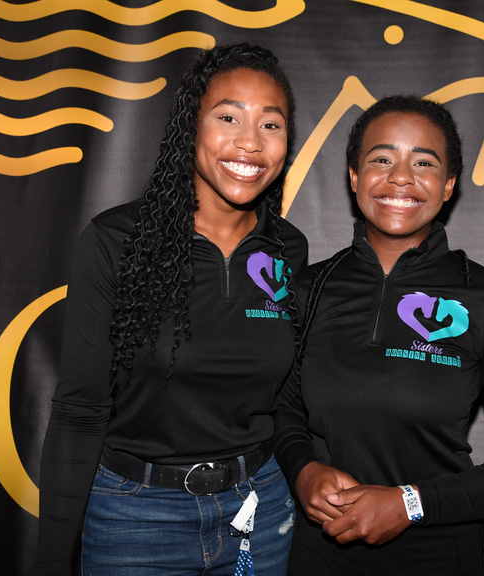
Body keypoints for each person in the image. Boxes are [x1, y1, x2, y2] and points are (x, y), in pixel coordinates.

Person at [33, 44, 307, 576]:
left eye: (271, 125)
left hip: (258, 511)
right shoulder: (117, 241)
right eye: (228, 117)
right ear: (190, 128)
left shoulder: (288, 249)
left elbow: (289, 402)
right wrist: (52, 555)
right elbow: (79, 409)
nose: (250, 141)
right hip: (135, 517)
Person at [274, 96, 484, 575]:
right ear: (354, 177)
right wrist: (303, 468)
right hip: (316, 552)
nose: (401, 177)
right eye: (381, 159)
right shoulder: (307, 288)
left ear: (448, 185)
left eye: (423, 163)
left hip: (439, 554)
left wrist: (410, 503)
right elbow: (282, 411)